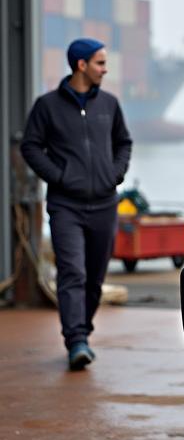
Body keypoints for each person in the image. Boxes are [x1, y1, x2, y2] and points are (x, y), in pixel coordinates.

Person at [20, 38, 132, 370]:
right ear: (81, 65)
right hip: (65, 205)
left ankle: (82, 330)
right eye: (100, 63)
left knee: (95, 278)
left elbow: (123, 142)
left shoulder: (109, 105)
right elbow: (30, 147)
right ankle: (76, 341)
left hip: (104, 204)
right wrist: (60, 177)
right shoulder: (47, 106)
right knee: (73, 273)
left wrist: (115, 173)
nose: (105, 68)